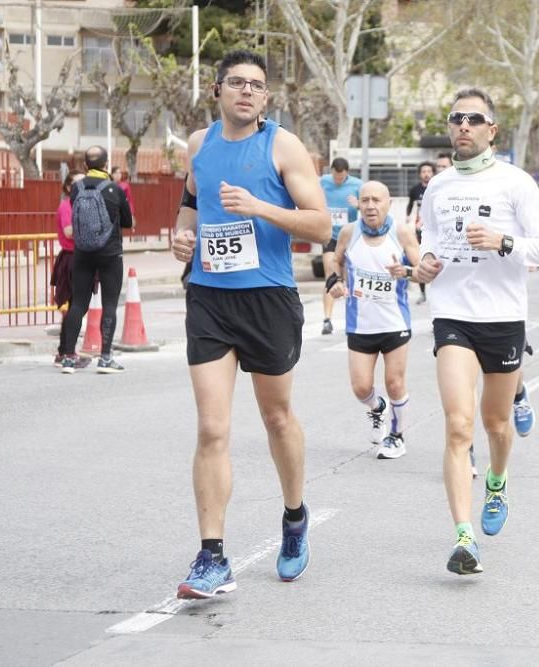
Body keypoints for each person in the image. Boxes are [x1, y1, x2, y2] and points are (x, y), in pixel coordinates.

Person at [170, 49, 330, 598]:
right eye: (236, 82)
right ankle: (211, 555)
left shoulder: (281, 146)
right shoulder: (199, 145)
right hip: (210, 298)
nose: (246, 91)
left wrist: (261, 207)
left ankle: (293, 517)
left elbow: (322, 225)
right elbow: (190, 204)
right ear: (217, 90)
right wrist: (181, 236)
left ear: (266, 98)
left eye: (256, 85)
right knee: (212, 428)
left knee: (277, 417)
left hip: (268, 298)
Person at [415, 87, 539, 575]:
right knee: (459, 425)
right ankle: (463, 537)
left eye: (474, 119)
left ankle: (497, 482)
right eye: (457, 118)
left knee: (496, 424)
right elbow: (430, 244)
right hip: (452, 314)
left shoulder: (515, 183)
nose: (463, 126)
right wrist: (425, 265)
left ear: (491, 130)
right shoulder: (437, 187)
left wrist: (504, 241)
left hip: (502, 317)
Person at [328, 181, 421, 458]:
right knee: (361, 388)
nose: (370, 206)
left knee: (395, 383)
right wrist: (334, 281)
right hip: (361, 324)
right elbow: (336, 260)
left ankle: (396, 436)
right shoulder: (349, 232)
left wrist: (403, 271)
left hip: (394, 323)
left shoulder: (402, 232)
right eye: (365, 200)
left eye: (376, 200)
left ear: (388, 203)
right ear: (358, 203)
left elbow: (421, 271)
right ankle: (377, 407)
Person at [57, 147, 133, 374]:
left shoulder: (77, 188)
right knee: (109, 304)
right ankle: (106, 358)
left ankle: (69, 358)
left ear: (86, 165)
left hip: (82, 253)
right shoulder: (114, 189)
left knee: (78, 303)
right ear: (106, 163)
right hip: (110, 254)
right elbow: (127, 222)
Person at [320, 158, 362, 334]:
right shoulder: (322, 182)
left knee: (351, 278)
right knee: (331, 276)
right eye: (336, 178)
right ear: (331, 172)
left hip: (349, 237)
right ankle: (327, 320)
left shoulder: (357, 185)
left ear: (347, 173)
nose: (338, 181)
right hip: (330, 236)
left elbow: (372, 205)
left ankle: (357, 315)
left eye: (341, 178)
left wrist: (358, 204)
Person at [51, 170, 84, 366]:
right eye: (78, 183)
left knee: (75, 308)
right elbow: (69, 232)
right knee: (74, 309)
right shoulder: (67, 206)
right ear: (69, 187)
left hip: (80, 258)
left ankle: (64, 351)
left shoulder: (80, 205)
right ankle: (66, 353)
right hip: (72, 259)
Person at [406, 161, 435, 304]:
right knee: (420, 260)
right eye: (424, 171)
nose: (426, 174)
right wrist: (408, 219)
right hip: (419, 230)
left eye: (429, 171)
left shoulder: (438, 188)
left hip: (436, 231)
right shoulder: (415, 190)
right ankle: (423, 293)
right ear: (419, 174)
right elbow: (410, 205)